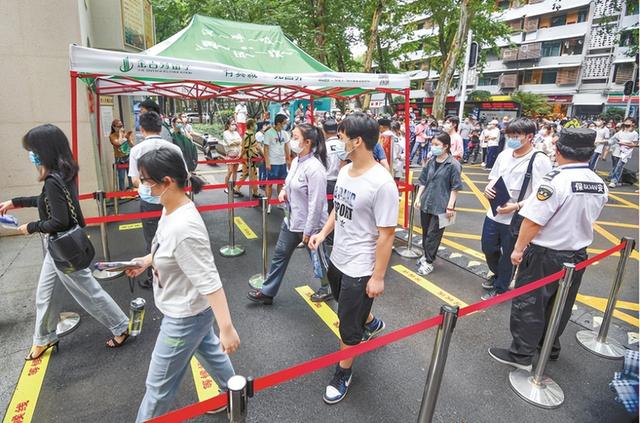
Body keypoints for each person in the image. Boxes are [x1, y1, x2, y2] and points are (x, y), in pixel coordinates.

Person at [125, 148, 240, 422]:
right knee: (210, 350)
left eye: (145, 181)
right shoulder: (171, 209)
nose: (141, 186)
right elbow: (166, 249)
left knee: (157, 388)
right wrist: (146, 260)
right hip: (192, 312)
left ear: (167, 182)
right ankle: (235, 393)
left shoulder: (183, 228)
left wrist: (227, 328)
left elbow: (210, 281)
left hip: (183, 317)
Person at [0, 124, 130, 360]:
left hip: (63, 246)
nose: (31, 155)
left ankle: (120, 326)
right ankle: (43, 338)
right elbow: (46, 201)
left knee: (88, 293)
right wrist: (16, 201)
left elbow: (59, 220)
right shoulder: (65, 171)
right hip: (62, 246)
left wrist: (30, 227)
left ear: (45, 150)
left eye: (33, 150)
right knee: (45, 295)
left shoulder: (52, 179)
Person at [489, 128, 607, 370]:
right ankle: (549, 345)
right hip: (577, 255)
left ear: (558, 150)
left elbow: (533, 221)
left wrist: (518, 249)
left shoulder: (556, 181)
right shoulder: (598, 183)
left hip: (546, 254)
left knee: (530, 304)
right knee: (560, 303)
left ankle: (522, 354)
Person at [308, 112, 398, 404]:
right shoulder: (346, 171)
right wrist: (323, 233)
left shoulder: (382, 184)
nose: (338, 140)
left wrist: (378, 276)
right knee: (347, 306)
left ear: (357, 141)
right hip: (338, 257)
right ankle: (370, 322)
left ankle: (343, 371)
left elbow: (386, 235)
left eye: (343, 136)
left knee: (347, 324)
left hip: (361, 266)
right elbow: (340, 206)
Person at [247, 124, 331, 304]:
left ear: (307, 142)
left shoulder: (315, 169)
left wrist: (308, 232)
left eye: (295, 137)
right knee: (279, 256)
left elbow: (316, 204)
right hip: (292, 220)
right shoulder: (295, 161)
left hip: (312, 226)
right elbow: (288, 182)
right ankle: (268, 292)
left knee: (318, 260)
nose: (291, 141)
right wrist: (284, 191)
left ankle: (328, 287)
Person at [480, 118, 553, 300]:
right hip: (494, 212)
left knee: (508, 255)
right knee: (488, 247)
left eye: (516, 136)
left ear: (529, 137)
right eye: (509, 135)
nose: (512, 139)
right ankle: (498, 274)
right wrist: (488, 188)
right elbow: (494, 177)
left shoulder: (539, 160)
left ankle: (500, 287)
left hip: (516, 217)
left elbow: (540, 194)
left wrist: (517, 206)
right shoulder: (504, 155)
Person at [129, 111, 187, 289]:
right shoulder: (174, 148)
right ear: (161, 128)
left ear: (142, 128)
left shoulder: (136, 150)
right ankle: (177, 273)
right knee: (176, 237)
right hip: (173, 201)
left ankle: (154, 277)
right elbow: (184, 174)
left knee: (153, 240)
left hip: (148, 201)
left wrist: (149, 185)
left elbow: (134, 180)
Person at [414, 132, 463, 276]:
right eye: (432, 144)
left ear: (446, 146)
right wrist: (418, 198)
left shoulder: (453, 165)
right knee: (425, 232)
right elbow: (423, 181)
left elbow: (456, 187)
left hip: (442, 206)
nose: (433, 147)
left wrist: (450, 207)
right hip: (427, 202)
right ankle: (426, 255)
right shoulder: (431, 161)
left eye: (437, 145)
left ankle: (429, 262)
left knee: (433, 235)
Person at [263, 114, 291, 213]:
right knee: (270, 184)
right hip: (272, 162)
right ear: (278, 123)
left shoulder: (285, 133)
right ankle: (268, 203)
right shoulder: (269, 133)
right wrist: (267, 162)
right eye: (284, 123)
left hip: (282, 162)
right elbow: (265, 148)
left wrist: (288, 159)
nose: (285, 125)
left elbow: (286, 147)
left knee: (281, 183)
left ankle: (280, 202)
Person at [608, 117, 639, 187]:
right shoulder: (620, 131)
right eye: (626, 121)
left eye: (629, 121)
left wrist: (624, 144)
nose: (627, 122)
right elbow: (612, 139)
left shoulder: (634, 133)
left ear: (633, 123)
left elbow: (634, 144)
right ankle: (617, 179)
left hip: (625, 153)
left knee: (619, 166)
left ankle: (614, 181)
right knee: (615, 166)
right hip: (616, 151)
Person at [237, 119, 262, 198]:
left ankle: (236, 188)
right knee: (253, 174)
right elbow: (246, 148)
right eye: (254, 124)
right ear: (251, 126)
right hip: (250, 157)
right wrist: (241, 156)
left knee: (245, 173)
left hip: (247, 157)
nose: (255, 126)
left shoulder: (249, 134)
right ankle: (255, 192)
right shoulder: (249, 135)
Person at [109, 119, 134, 190]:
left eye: (121, 126)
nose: (120, 128)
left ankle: (131, 189)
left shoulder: (124, 133)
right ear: (114, 127)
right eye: (118, 126)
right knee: (121, 176)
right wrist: (120, 134)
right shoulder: (112, 136)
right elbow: (118, 143)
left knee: (130, 175)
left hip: (127, 156)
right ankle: (122, 191)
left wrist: (128, 138)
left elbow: (131, 145)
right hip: (120, 158)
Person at [222, 120, 243, 198]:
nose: (234, 126)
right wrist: (235, 141)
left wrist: (234, 141)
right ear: (228, 125)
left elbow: (240, 142)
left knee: (235, 172)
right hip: (230, 155)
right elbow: (229, 143)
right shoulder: (225, 133)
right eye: (232, 124)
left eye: (234, 124)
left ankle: (233, 187)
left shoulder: (236, 133)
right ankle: (226, 187)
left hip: (237, 155)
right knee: (230, 171)